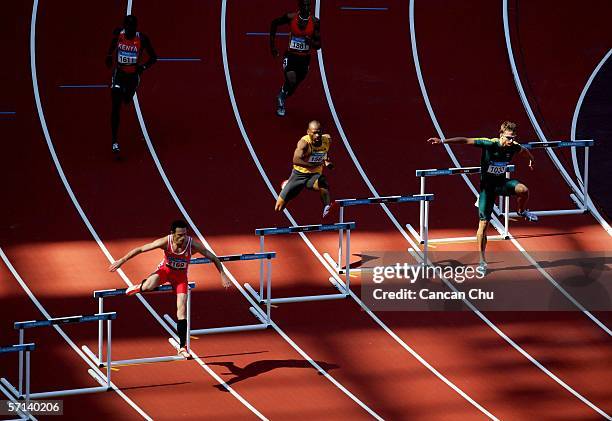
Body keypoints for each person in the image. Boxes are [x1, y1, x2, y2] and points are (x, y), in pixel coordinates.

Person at [108, 220, 231, 358]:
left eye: (184, 234)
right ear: (172, 234)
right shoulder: (165, 242)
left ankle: (182, 347)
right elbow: (141, 249)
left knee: (182, 310)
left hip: (180, 279)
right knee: (148, 286)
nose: (182, 238)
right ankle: (140, 287)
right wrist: (121, 261)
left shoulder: (192, 244)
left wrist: (223, 275)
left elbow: (213, 257)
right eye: (179, 235)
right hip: (165, 272)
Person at [428, 121, 538, 270]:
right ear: (501, 135)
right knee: (483, 224)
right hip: (487, 189)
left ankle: (520, 211)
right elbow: (466, 140)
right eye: (507, 138)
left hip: (501, 184)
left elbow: (525, 151)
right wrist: (442, 141)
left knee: (523, 190)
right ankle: (482, 261)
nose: (510, 141)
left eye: (512, 138)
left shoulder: (514, 147)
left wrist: (531, 160)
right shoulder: (490, 144)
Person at [106, 15, 157, 154]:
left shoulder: (142, 39)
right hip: (119, 74)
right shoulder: (119, 35)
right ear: (124, 27)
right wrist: (109, 56)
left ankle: (127, 92)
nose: (130, 31)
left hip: (133, 77)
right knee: (115, 106)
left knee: (127, 100)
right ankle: (114, 141)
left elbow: (154, 58)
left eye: (133, 28)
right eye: (128, 28)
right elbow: (112, 46)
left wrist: (143, 68)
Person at [270, 0, 321, 116]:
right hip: (291, 56)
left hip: (304, 59)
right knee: (291, 80)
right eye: (305, 5)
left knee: (292, 87)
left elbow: (318, 45)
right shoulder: (290, 17)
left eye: (309, 5)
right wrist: (272, 46)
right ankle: (281, 101)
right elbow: (274, 23)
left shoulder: (315, 22)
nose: (307, 7)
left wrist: (311, 41)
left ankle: (282, 95)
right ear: (300, 6)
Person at [275, 120, 334, 217]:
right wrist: (311, 165)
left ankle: (327, 208)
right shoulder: (304, 143)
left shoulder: (327, 140)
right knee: (279, 208)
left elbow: (324, 153)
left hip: (314, 175)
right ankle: (287, 184)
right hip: (299, 174)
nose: (317, 136)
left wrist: (326, 162)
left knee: (323, 182)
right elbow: (296, 160)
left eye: (319, 132)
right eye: (314, 133)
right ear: (308, 132)